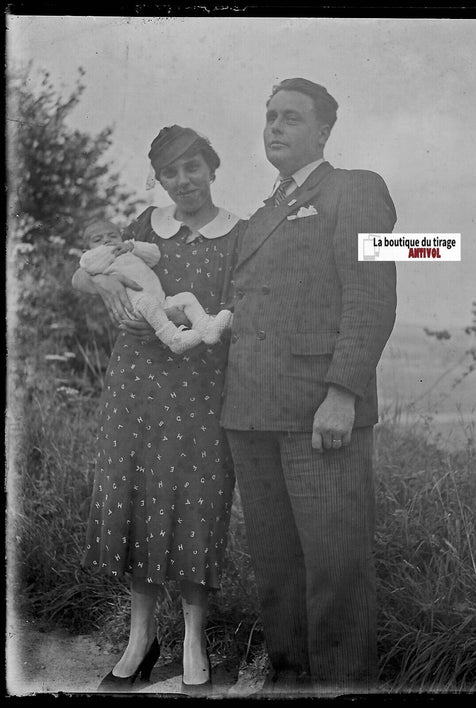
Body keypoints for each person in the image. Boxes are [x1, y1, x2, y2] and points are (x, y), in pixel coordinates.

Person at [220, 78, 397, 696]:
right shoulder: (261, 212)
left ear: (323, 131)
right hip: (251, 413)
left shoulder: (356, 189)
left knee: (336, 567)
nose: (275, 127)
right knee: (275, 566)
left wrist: (343, 393)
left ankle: (343, 686)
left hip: (320, 410)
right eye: (269, 116)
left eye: (291, 117)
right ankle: (289, 679)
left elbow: (373, 297)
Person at [72, 125, 242, 694]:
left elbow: (241, 308)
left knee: (198, 499)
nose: (183, 180)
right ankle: (141, 639)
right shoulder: (146, 227)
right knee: (140, 497)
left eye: (193, 167)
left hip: (200, 388)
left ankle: (194, 638)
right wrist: (107, 292)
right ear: (160, 179)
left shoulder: (237, 234)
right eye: (170, 172)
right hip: (136, 385)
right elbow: (84, 270)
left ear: (212, 168)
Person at [79, 218, 233, 354]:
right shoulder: (95, 259)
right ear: (87, 249)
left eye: (112, 236)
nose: (107, 240)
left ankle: (206, 328)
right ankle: (174, 339)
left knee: (187, 298)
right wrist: (106, 250)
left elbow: (155, 256)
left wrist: (132, 246)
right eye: (98, 239)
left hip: (161, 300)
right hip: (135, 305)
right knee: (148, 302)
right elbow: (88, 264)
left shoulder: (129, 251)